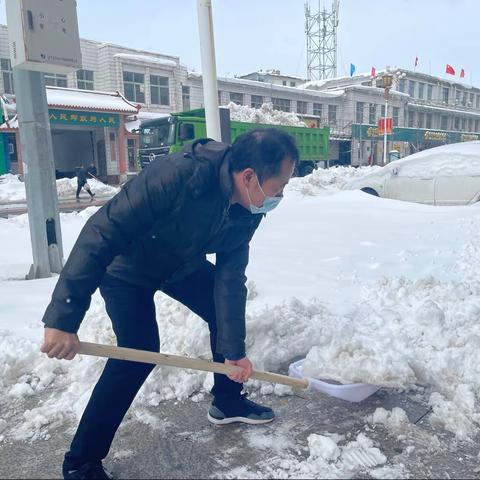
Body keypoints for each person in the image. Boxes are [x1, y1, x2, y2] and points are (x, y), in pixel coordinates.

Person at [41, 129, 298, 480]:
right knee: (138, 352)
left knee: (223, 316)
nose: (279, 196)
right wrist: (64, 317)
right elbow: (102, 231)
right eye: (278, 187)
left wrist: (234, 352)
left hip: (179, 265)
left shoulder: (248, 206)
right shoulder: (178, 174)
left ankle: (228, 400)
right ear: (249, 176)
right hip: (126, 269)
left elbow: (229, 279)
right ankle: (81, 461)